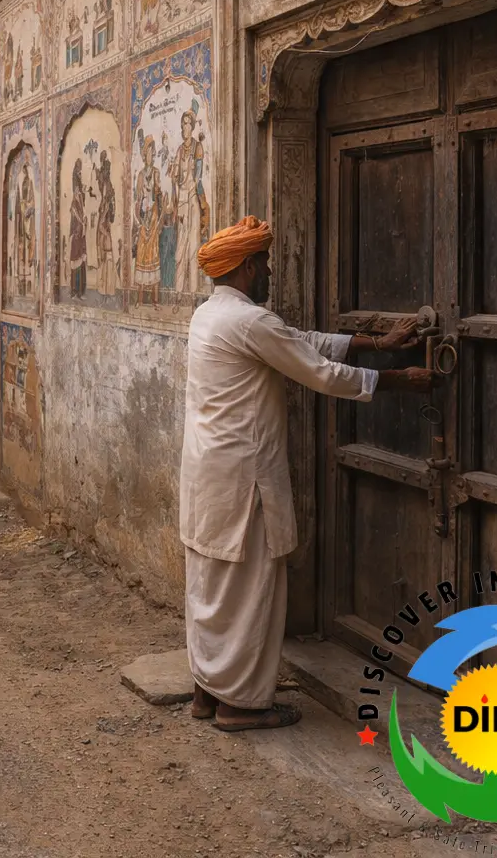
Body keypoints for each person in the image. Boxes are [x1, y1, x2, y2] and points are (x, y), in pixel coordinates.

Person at [180, 216, 430, 731]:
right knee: (249, 590)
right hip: (242, 477)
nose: (270, 270)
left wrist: (376, 344)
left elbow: (295, 339)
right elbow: (319, 371)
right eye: (265, 262)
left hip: (210, 472)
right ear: (249, 266)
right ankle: (240, 705)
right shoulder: (250, 322)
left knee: (211, 586)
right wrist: (398, 379)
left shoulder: (211, 315)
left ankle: (207, 692)